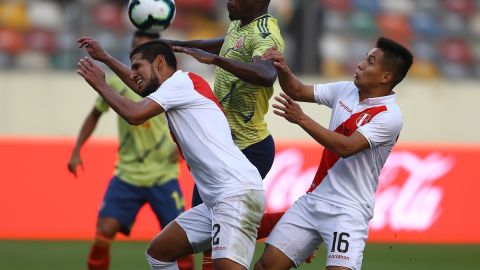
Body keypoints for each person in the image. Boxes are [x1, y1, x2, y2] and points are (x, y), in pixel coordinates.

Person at [76, 39, 266, 270]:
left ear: (159, 62)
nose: (133, 73)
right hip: (216, 201)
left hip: (235, 192)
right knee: (159, 253)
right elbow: (140, 87)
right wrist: (105, 58)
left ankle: (290, 227)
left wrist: (101, 84)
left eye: (137, 67)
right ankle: (283, 223)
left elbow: (135, 114)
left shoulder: (181, 83)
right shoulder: (176, 88)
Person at [253, 37, 413, 270]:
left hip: (349, 210)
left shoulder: (389, 116)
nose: (359, 64)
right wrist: (283, 68)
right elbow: (297, 90)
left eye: (369, 62)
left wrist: (301, 118)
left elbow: (346, 147)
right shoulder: (346, 90)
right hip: (314, 200)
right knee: (267, 266)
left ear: (386, 77)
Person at [169, 1, 285, 266]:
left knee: (216, 229)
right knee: (207, 229)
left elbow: (267, 74)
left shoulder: (266, 35)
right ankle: (287, 226)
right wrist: (180, 44)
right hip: (223, 146)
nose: (228, 1)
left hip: (249, 148)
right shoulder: (240, 23)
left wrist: (217, 60)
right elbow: (226, 42)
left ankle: (288, 227)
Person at [68, 31, 193, 270]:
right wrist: (77, 149)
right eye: (136, 51)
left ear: (157, 59)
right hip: (128, 174)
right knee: (103, 232)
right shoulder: (119, 82)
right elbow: (94, 115)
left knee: (182, 243)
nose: (139, 57)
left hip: (163, 175)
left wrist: (182, 148)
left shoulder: (170, 85)